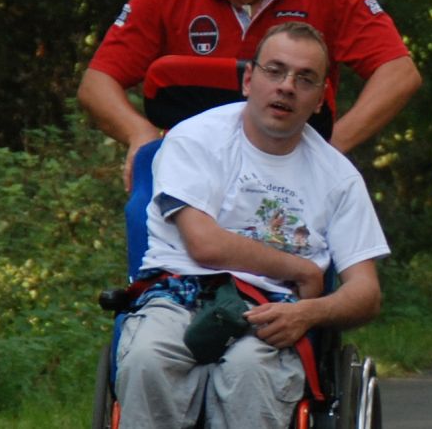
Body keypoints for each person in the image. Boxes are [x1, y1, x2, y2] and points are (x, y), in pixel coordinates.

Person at [115, 23, 387, 429]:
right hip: (178, 292)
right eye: (274, 71)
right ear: (249, 79)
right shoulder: (194, 139)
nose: (287, 87)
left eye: (305, 79)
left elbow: (367, 293)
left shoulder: (339, 178)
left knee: (249, 371)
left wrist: (309, 313)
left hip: (271, 309)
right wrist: (303, 271)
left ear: (319, 100)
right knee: (148, 360)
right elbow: (203, 244)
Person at [78, 0, 422, 190]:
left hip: (294, 175)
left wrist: (331, 148)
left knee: (304, 282)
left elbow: (398, 72)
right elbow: (97, 83)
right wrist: (141, 135)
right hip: (193, 177)